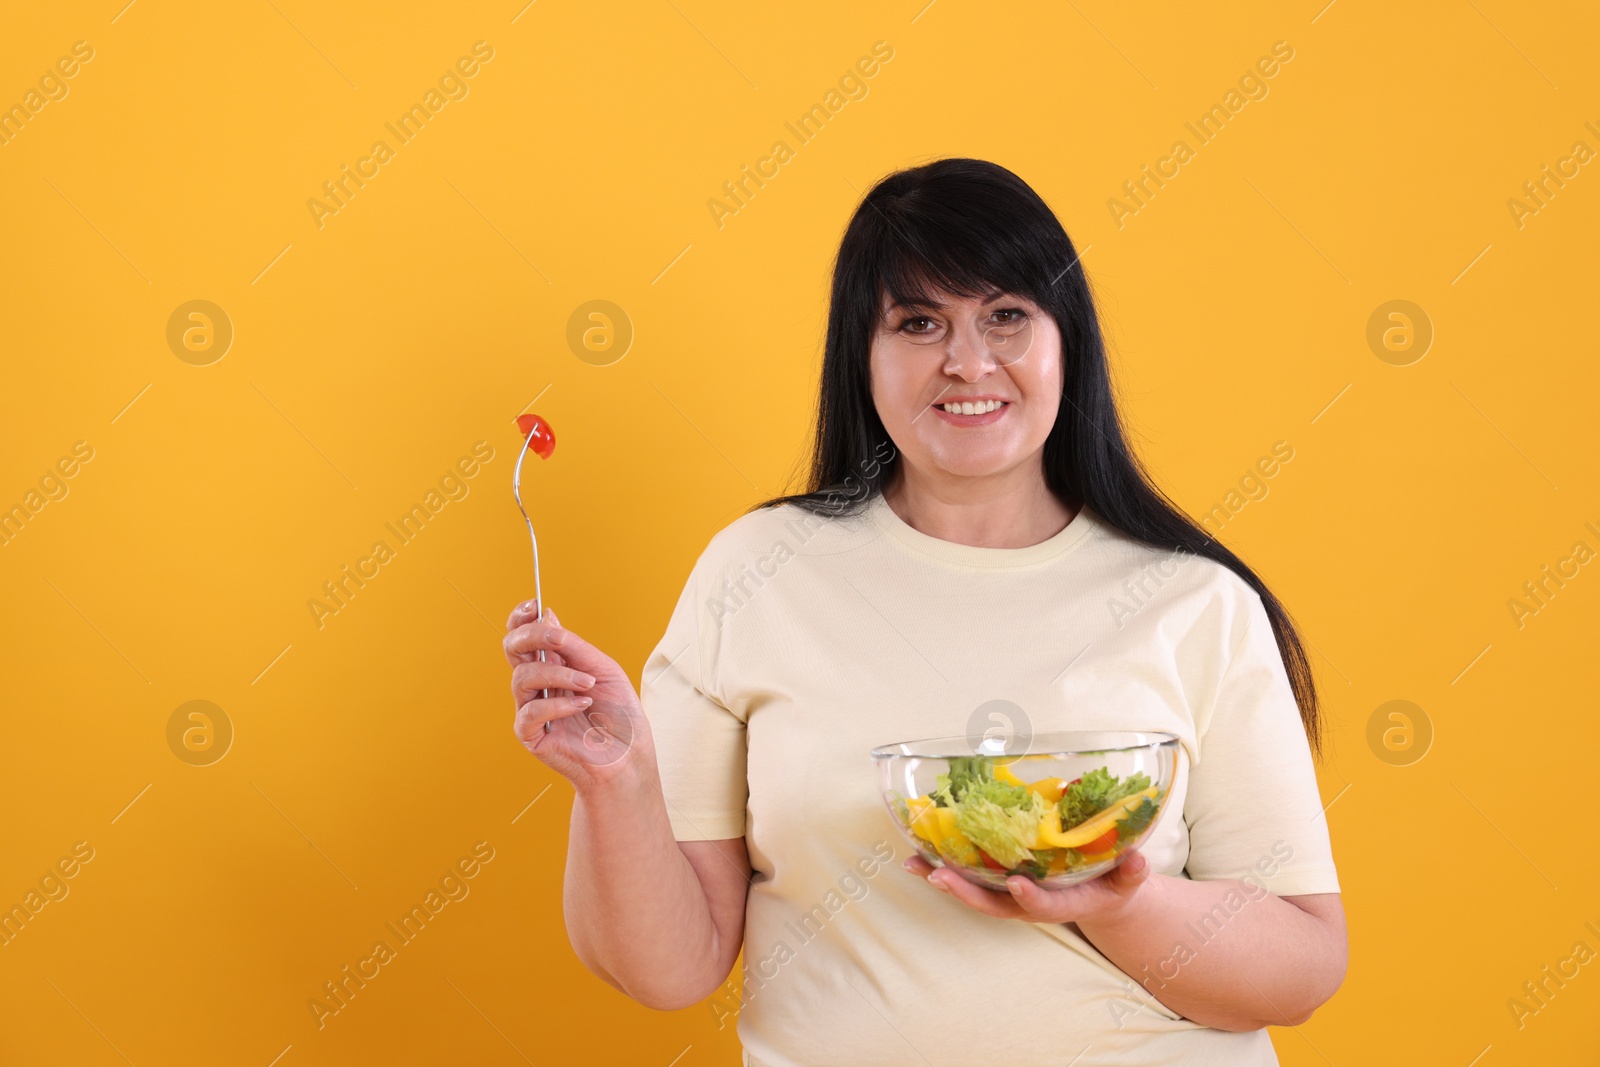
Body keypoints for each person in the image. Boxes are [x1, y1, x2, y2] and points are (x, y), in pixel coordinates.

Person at [503, 157, 1347, 1066]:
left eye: (1007, 316)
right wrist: (617, 784)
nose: (968, 361)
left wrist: (1115, 897)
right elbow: (667, 970)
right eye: (918, 322)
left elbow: (1301, 966)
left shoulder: (1192, 602)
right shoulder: (756, 574)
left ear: (1068, 341)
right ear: (860, 355)